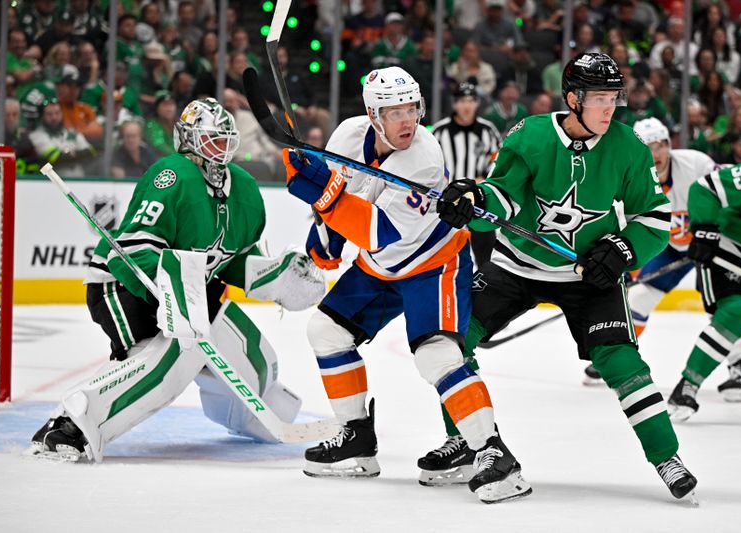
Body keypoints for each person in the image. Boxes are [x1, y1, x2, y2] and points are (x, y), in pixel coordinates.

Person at [433, 53, 698, 500]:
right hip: (517, 267)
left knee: (621, 362)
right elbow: (502, 198)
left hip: (588, 276)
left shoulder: (628, 146)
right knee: (451, 341)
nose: (609, 108)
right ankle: (470, 441)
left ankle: (666, 457)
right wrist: (474, 203)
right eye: (599, 98)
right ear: (573, 99)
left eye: (614, 97)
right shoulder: (532, 135)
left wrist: (622, 248)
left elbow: (654, 217)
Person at [28, 98, 324, 462]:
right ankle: (70, 424)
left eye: (225, 137)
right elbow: (135, 249)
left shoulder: (244, 189)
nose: (221, 146)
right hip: (126, 286)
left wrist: (276, 277)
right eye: (211, 137)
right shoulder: (172, 175)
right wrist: (173, 295)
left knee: (259, 361)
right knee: (173, 359)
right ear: (188, 139)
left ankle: (250, 417)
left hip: (193, 290)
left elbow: (231, 261)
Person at [282, 66, 528, 504]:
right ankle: (356, 436)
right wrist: (325, 233)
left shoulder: (424, 158)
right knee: (325, 331)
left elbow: (377, 230)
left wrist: (321, 196)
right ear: (373, 115)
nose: (406, 120)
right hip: (380, 267)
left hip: (433, 263)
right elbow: (345, 192)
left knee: (436, 355)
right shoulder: (347, 136)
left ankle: (493, 454)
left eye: (412, 108)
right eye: (394, 111)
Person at [580, 117, 741, 402]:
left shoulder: (695, 164)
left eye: (662, 145)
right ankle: (619, 359)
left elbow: (733, 184)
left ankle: (740, 369)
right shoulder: (629, 177)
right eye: (649, 147)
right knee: (638, 298)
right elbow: (625, 226)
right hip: (670, 246)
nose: (657, 153)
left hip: (713, 241)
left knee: (724, 305)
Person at [667, 151, 741, 422]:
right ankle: (686, 387)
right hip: (727, 248)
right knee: (737, 311)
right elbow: (706, 188)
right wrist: (704, 230)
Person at [432, 82, 502, 269]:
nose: (466, 106)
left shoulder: (488, 130)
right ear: (454, 104)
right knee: (442, 252)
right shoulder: (439, 131)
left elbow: (499, 161)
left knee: (485, 252)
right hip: (448, 200)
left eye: (471, 101)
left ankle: (484, 287)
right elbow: (430, 166)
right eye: (462, 101)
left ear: (477, 103)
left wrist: (485, 180)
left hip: (478, 199)